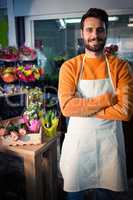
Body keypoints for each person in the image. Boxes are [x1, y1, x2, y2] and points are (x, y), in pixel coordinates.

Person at [58, 8, 133, 200]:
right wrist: (107, 99)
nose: (94, 35)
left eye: (100, 30)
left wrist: (82, 107)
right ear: (82, 33)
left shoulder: (121, 67)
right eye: (89, 30)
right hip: (78, 147)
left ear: (106, 32)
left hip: (109, 148)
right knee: (74, 195)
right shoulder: (70, 67)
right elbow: (67, 108)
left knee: (106, 196)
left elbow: (124, 111)